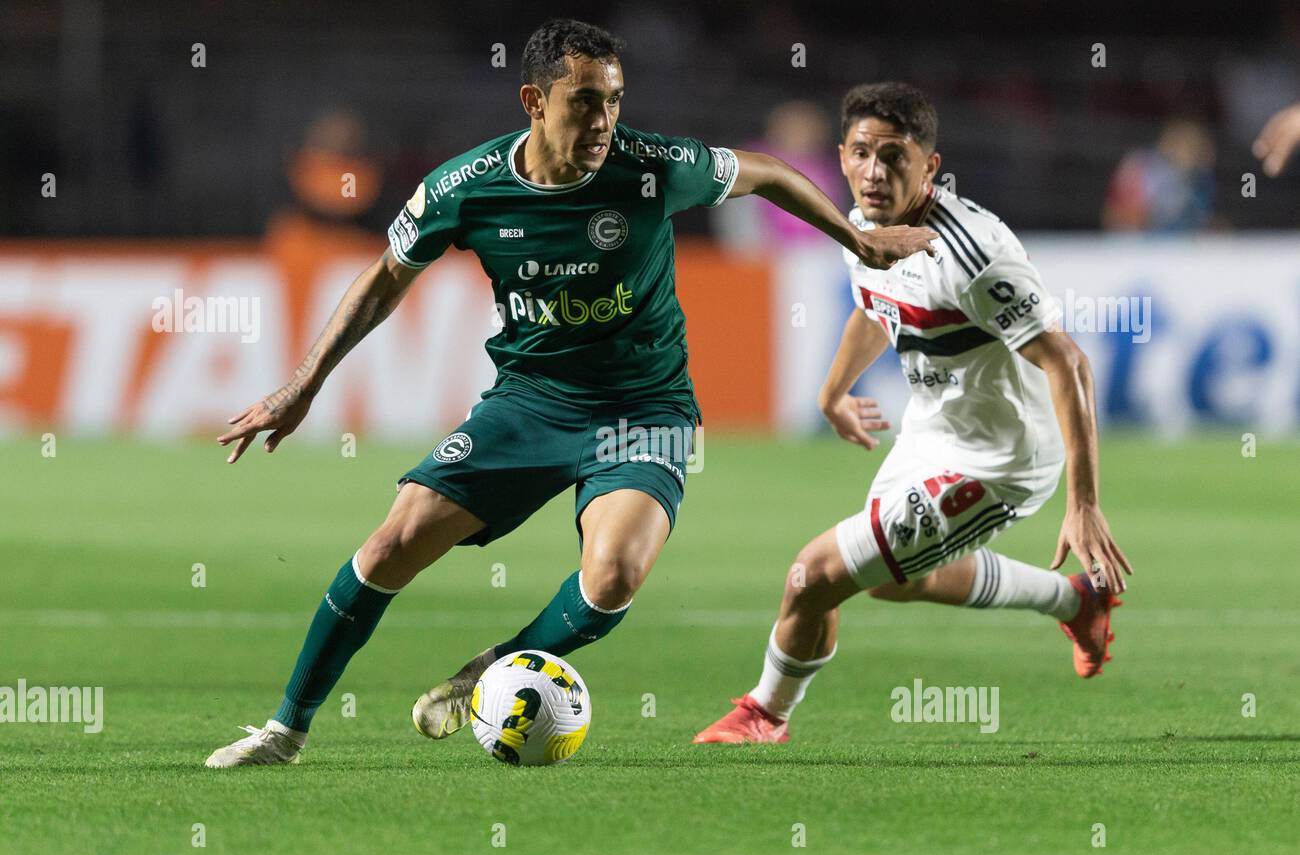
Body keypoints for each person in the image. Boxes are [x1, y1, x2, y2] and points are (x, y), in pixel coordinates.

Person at [204, 21, 935, 767]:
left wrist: (858, 238)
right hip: (530, 402)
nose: (604, 121)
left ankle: (492, 671)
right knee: (391, 544)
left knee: (614, 576)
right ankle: (284, 730)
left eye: (614, 101)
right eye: (585, 102)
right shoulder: (467, 186)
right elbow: (387, 276)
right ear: (534, 100)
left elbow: (769, 173)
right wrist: (302, 385)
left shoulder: (652, 166)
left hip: (645, 410)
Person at [694, 82, 1131, 745]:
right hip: (933, 434)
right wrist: (832, 391)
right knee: (892, 582)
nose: (875, 172)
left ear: (930, 166)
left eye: (894, 157)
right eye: (863, 153)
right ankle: (1076, 600)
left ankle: (764, 713)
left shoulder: (973, 254)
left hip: (1002, 459)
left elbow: (1067, 361)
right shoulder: (859, 225)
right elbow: (878, 305)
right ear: (841, 156)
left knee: (813, 575)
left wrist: (1085, 501)